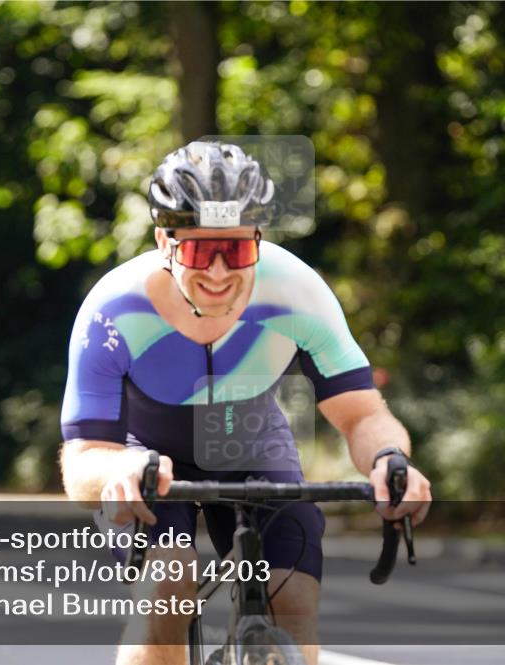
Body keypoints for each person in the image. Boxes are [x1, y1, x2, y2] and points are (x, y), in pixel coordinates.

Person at [60, 141, 432, 665]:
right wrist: (120, 469)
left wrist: (391, 461)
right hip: (144, 458)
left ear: (258, 238)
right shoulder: (113, 310)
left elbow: (362, 413)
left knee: (294, 602)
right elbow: (81, 460)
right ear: (165, 241)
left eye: (234, 250)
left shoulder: (296, 293)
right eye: (197, 251)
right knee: (167, 594)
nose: (217, 272)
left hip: (253, 446)